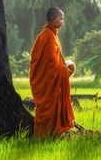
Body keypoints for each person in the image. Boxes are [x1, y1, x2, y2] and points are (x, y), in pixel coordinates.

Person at [29, 7, 76, 138]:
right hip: (46, 81)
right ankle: (42, 137)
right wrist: (63, 70)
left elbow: (55, 59)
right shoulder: (48, 36)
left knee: (53, 108)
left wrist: (64, 67)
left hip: (51, 79)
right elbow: (50, 63)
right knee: (46, 110)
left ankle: (50, 137)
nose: (62, 22)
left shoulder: (51, 34)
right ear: (52, 19)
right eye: (61, 19)